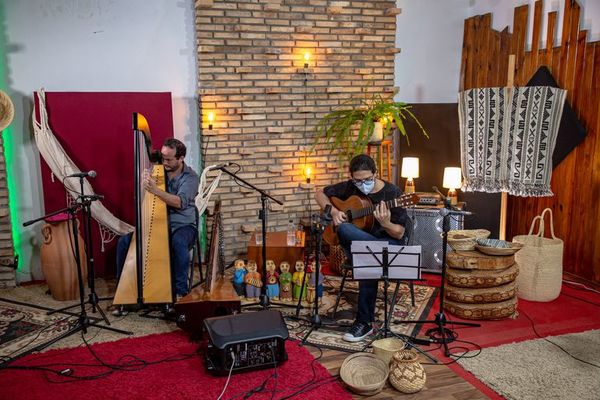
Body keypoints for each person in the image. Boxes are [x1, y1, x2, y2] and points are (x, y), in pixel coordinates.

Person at [315, 154, 408, 342]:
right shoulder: (350, 186)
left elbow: (399, 234)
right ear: (351, 177)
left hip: (388, 245)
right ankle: (364, 322)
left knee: (366, 257)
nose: (363, 183)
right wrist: (334, 211)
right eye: (358, 181)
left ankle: (364, 322)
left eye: (368, 179)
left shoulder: (393, 193)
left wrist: (386, 223)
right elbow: (319, 193)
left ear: (376, 173)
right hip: (363, 245)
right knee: (345, 227)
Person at [114, 138, 199, 314]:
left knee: (178, 243)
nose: (164, 162)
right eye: (163, 157)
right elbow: (144, 199)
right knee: (125, 242)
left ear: (181, 158)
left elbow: (180, 203)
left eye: (169, 159)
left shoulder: (190, 177)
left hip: (183, 226)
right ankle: (124, 294)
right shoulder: (158, 172)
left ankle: (180, 292)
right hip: (158, 224)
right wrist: (143, 183)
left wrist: (155, 190)